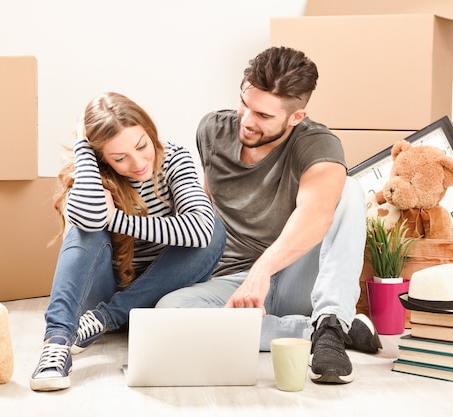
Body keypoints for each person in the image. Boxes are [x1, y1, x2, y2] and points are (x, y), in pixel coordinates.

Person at [156, 46, 382, 384]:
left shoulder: (318, 144)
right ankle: (317, 331)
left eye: (263, 116)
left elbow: (317, 215)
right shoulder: (212, 130)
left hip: (295, 277)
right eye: (246, 104)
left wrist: (262, 270)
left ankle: (332, 323)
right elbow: (206, 208)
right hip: (232, 283)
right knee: (168, 314)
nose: (247, 121)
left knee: (347, 189)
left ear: (296, 117)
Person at [29, 92, 226, 392]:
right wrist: (84, 148)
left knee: (212, 231)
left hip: (155, 294)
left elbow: (199, 230)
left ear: (149, 131)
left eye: (141, 146)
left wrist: (119, 220)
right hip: (104, 292)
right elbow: (93, 220)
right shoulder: (92, 172)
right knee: (85, 229)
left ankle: (108, 317)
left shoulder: (174, 159)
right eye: (120, 158)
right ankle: (56, 342)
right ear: (102, 157)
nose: (137, 163)